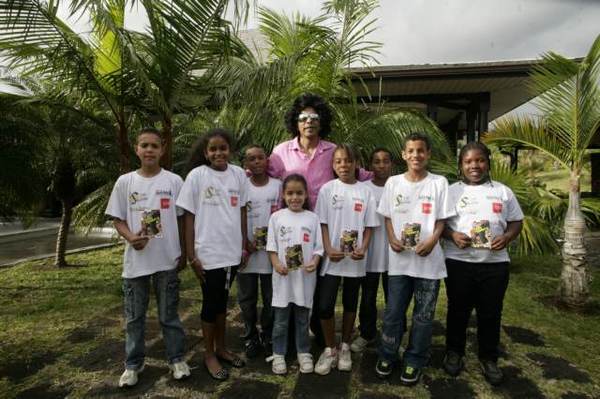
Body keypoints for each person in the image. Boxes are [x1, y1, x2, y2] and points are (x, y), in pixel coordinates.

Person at [105, 127, 190, 388]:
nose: (150, 150)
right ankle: (133, 364)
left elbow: (184, 219)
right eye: (145, 145)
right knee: (134, 318)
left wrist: (185, 253)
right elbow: (117, 219)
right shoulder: (125, 182)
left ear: (162, 149)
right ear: (137, 149)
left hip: (167, 260)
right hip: (136, 263)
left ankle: (176, 359)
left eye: (155, 145)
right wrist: (131, 237)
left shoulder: (174, 181)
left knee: (169, 316)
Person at [442, 142, 523, 386]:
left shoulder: (502, 191)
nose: (474, 166)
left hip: (495, 264)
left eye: (479, 160)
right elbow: (438, 224)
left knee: (491, 312)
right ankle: (454, 352)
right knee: (458, 310)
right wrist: (452, 235)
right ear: (461, 165)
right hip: (459, 262)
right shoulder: (451, 191)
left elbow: (517, 221)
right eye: (468, 161)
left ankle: (489, 358)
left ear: (488, 163)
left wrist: (507, 237)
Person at [375, 133, 453, 386]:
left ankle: (414, 359)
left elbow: (442, 219)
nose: (416, 155)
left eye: (421, 150)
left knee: (423, 316)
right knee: (394, 312)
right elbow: (387, 216)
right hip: (399, 262)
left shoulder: (439, 183)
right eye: (411, 150)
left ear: (428, 154)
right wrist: (391, 238)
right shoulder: (393, 183)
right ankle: (388, 354)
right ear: (404, 155)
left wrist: (433, 240)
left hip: (429, 264)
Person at [176, 128, 248, 381]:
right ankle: (208, 354)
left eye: (223, 148)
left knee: (223, 302)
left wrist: (244, 245)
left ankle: (222, 348)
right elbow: (188, 216)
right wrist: (191, 255)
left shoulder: (239, 174)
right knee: (211, 303)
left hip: (231, 253)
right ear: (206, 153)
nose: (219, 153)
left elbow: (242, 211)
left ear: (230, 150)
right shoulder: (197, 176)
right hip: (207, 254)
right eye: (213, 149)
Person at [314, 144, 379, 375]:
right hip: (333, 258)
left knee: (352, 303)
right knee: (324, 306)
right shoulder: (327, 189)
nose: (344, 165)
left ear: (356, 163)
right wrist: (328, 247)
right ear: (333, 165)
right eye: (339, 161)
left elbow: (370, 226)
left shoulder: (366, 191)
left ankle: (344, 347)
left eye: (348, 161)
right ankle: (329, 348)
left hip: (355, 260)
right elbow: (321, 222)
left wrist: (363, 247)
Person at [266, 174, 324, 375]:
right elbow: (271, 246)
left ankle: (303, 352)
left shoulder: (312, 218)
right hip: (283, 278)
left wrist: (314, 262)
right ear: (283, 195)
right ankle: (279, 353)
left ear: (306, 194)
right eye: (290, 193)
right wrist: (276, 264)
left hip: (304, 278)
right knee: (281, 320)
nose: (295, 197)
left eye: (299, 193)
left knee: (302, 319)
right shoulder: (276, 217)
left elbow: (318, 247)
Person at [238, 145, 281, 359]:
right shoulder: (241, 186)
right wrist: (244, 243)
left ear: (267, 161)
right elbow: (236, 216)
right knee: (247, 299)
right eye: (251, 159)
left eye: (260, 158)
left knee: (270, 298)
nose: (256, 162)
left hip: (271, 255)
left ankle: (268, 334)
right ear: (245, 164)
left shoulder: (278, 186)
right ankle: (250, 336)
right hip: (247, 253)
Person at [351, 148, 393, 353]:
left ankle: (393, 336)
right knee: (367, 297)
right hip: (368, 253)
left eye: (385, 161)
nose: (381, 165)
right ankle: (367, 333)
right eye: (377, 161)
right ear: (370, 166)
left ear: (392, 164)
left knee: (394, 299)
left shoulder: (399, 186)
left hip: (395, 255)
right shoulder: (363, 188)